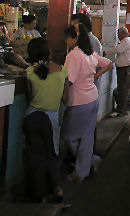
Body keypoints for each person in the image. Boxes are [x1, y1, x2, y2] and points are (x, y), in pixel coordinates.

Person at [62, 24, 112, 182]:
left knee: (69, 137)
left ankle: (83, 168)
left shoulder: (74, 55)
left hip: (79, 101)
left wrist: (62, 97)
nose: (65, 41)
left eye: (68, 37)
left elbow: (68, 81)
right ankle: (88, 164)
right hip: (92, 100)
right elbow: (109, 63)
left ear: (75, 38)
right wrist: (96, 76)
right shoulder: (90, 53)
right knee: (86, 137)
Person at [24, 38, 68, 202]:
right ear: (49, 52)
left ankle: (37, 193)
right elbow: (65, 98)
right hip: (51, 119)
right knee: (51, 155)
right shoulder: (63, 71)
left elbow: (29, 97)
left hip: (32, 117)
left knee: (35, 156)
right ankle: (57, 190)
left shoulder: (30, 72)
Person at [104, 27, 130, 115]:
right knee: (122, 89)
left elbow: (119, 50)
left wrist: (107, 52)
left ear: (122, 34)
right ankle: (122, 109)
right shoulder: (126, 41)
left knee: (123, 90)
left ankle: (122, 110)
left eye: (118, 34)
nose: (118, 36)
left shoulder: (126, 41)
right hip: (124, 69)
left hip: (125, 69)